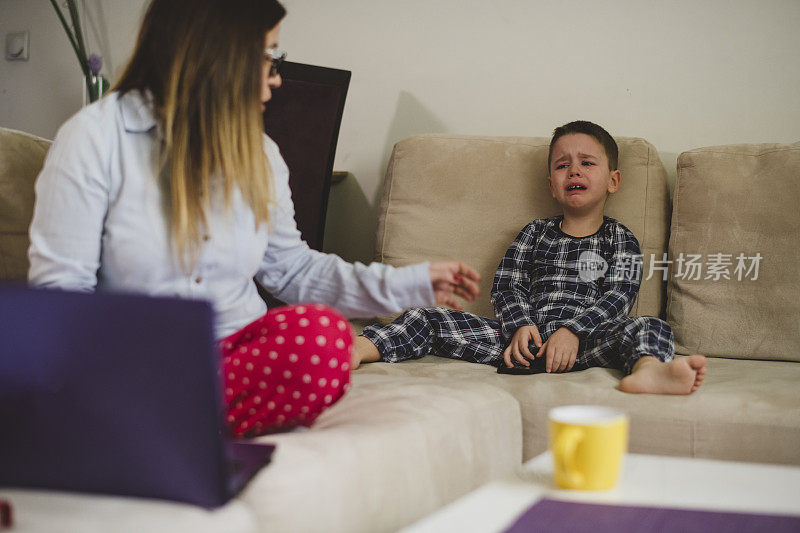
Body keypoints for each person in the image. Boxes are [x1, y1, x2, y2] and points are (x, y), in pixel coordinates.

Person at [27, 0, 481, 437]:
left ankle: (160, 424)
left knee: (324, 339)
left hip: (231, 358)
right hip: (134, 361)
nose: (276, 76)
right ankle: (157, 421)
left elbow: (294, 270)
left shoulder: (260, 153)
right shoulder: (94, 137)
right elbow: (62, 295)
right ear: (216, 55)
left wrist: (409, 284)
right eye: (268, 56)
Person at [354, 121, 707, 395]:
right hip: (519, 340)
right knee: (428, 316)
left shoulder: (621, 238)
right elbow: (508, 284)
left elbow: (619, 296)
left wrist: (572, 331)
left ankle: (649, 372)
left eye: (587, 163)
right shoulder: (535, 232)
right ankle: (359, 348)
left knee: (649, 325)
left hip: (585, 342)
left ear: (613, 180)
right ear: (552, 185)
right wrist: (520, 325)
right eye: (562, 166)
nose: (574, 171)